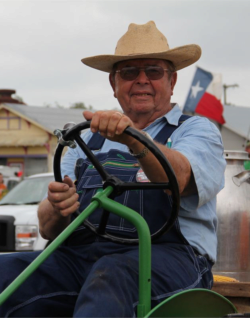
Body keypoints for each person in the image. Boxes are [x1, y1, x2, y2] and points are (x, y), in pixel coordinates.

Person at [0, 21, 226, 317]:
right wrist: (58, 206)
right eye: (130, 72)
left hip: (170, 258)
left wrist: (133, 138)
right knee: (6, 272)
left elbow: (180, 178)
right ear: (114, 84)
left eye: (154, 71)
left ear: (172, 81)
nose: (142, 80)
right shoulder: (86, 140)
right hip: (82, 257)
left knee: (110, 275)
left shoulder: (196, 131)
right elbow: (47, 227)